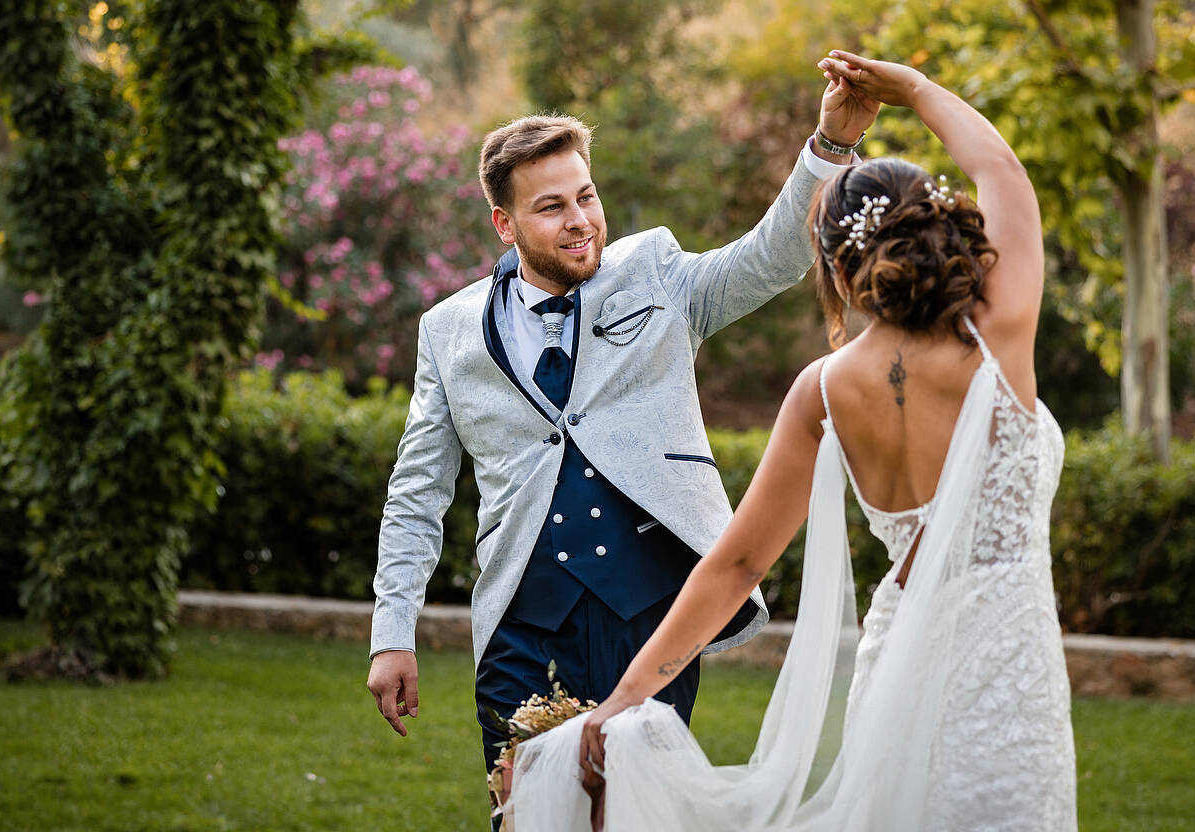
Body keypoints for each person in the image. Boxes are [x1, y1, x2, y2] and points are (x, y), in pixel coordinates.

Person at [503, 51, 1077, 832]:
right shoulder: (999, 336)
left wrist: (623, 700)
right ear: (937, 232)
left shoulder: (825, 388)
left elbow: (736, 564)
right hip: (1012, 666)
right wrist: (911, 88)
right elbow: (1001, 170)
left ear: (837, 267)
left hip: (898, 668)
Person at [365, 68, 881, 801]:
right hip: (521, 622)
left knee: (636, 812)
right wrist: (393, 632)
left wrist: (831, 144)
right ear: (505, 225)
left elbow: (771, 256)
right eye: (551, 207)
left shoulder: (655, 273)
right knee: (523, 812)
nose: (580, 219)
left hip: (652, 616)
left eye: (586, 196)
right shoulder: (448, 330)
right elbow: (417, 492)